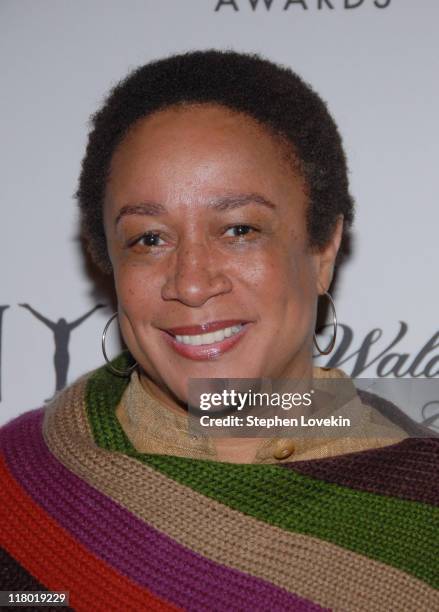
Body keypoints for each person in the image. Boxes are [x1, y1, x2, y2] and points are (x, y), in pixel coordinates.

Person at [1, 50, 437, 611]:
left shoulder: (427, 509)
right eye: (149, 239)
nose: (191, 282)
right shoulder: (20, 496)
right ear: (108, 262)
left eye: (238, 229)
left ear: (323, 248)